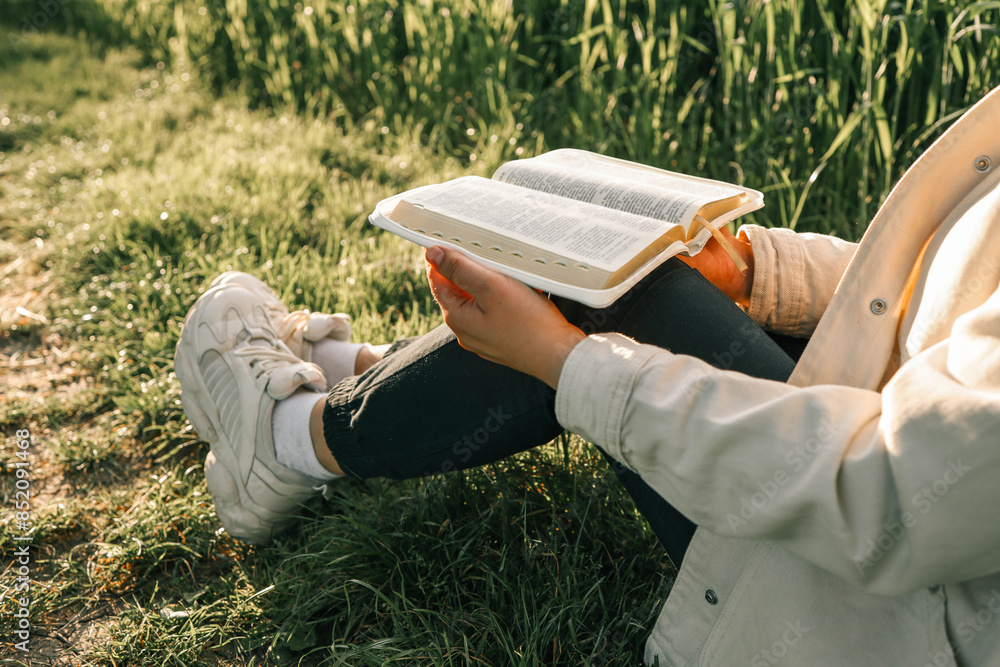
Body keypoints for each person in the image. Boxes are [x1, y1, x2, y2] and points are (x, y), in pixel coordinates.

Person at [174, 85, 1000, 666]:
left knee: (618, 298)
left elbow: (888, 495)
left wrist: (569, 363)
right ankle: (367, 372)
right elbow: (951, 311)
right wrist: (752, 271)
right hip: (909, 482)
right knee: (619, 263)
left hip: (893, 617)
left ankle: (289, 442)